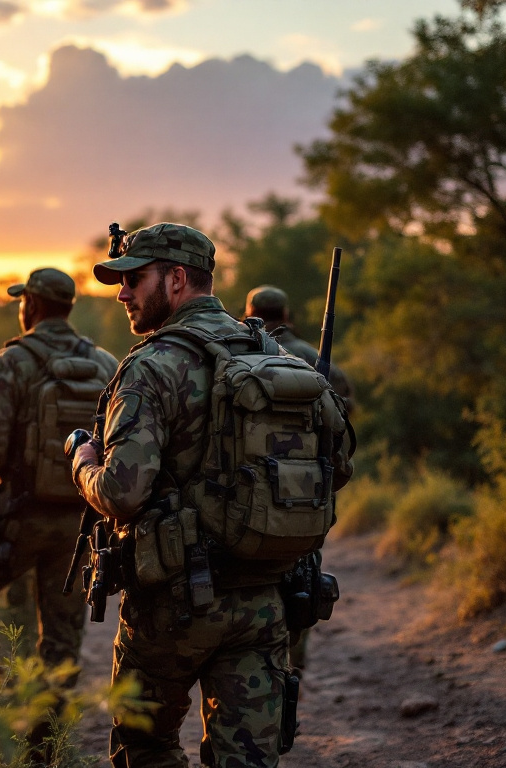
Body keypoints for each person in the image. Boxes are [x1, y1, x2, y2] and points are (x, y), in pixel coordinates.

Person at [70, 224, 353, 768]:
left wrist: (83, 462)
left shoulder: (152, 367)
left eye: (134, 279)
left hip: (170, 611)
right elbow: (336, 467)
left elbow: (121, 493)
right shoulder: (277, 357)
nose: (123, 293)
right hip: (265, 604)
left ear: (176, 280)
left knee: (145, 747)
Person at [0, 267, 118, 680]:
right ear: (69, 307)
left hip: (19, 517)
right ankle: (44, 742)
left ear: (32, 305)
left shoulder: (12, 361)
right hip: (80, 523)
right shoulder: (106, 362)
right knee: (61, 641)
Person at [244, 284, 355, 678]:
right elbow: (340, 447)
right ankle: (292, 670)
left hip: (247, 505)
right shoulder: (315, 359)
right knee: (301, 582)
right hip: (306, 504)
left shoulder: (237, 356)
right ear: (287, 316)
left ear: (249, 313)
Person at [244, 285, 354, 409]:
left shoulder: (238, 352)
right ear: (285, 314)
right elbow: (344, 402)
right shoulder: (312, 356)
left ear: (249, 314)